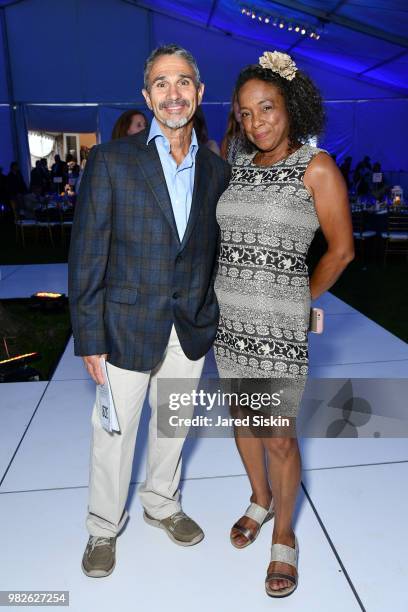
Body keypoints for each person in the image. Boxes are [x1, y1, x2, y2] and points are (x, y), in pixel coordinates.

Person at [68, 43, 231, 578]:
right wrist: (89, 336)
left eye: (183, 81)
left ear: (199, 93)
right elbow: (89, 251)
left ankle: (162, 502)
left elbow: (210, 250)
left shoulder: (215, 169)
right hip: (125, 326)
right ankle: (101, 527)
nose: (173, 93)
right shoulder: (113, 160)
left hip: (188, 328)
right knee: (113, 433)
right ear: (147, 96)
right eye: (161, 83)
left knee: (174, 423)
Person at [213, 51, 354, 598]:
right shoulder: (239, 160)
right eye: (246, 113)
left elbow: (340, 251)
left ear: (290, 106)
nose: (256, 122)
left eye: (266, 108)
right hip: (229, 324)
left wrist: (298, 297)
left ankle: (285, 534)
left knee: (278, 436)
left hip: (277, 331)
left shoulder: (316, 168)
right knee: (243, 421)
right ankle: (258, 498)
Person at [220, 90, 246, 164]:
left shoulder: (261, 140)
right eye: (237, 101)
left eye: (243, 101)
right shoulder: (227, 141)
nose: (239, 106)